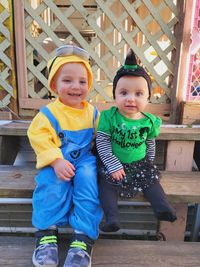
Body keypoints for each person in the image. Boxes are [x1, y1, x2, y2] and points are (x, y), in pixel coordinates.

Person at [28, 45, 103, 267]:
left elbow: (102, 138)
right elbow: (38, 136)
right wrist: (56, 160)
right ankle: (47, 234)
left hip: (84, 161)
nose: (76, 87)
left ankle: (83, 237)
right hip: (57, 160)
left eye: (82, 81)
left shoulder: (93, 113)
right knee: (51, 182)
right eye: (67, 80)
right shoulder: (49, 113)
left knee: (89, 179)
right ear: (54, 85)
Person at [96, 49, 177, 233]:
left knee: (151, 182)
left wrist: (148, 163)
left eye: (139, 93)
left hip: (139, 163)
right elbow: (102, 143)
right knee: (106, 186)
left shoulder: (149, 121)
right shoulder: (109, 117)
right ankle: (111, 218)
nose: (131, 98)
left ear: (148, 97)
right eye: (123, 93)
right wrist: (113, 165)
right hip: (113, 164)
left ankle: (162, 207)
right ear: (115, 95)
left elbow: (150, 143)